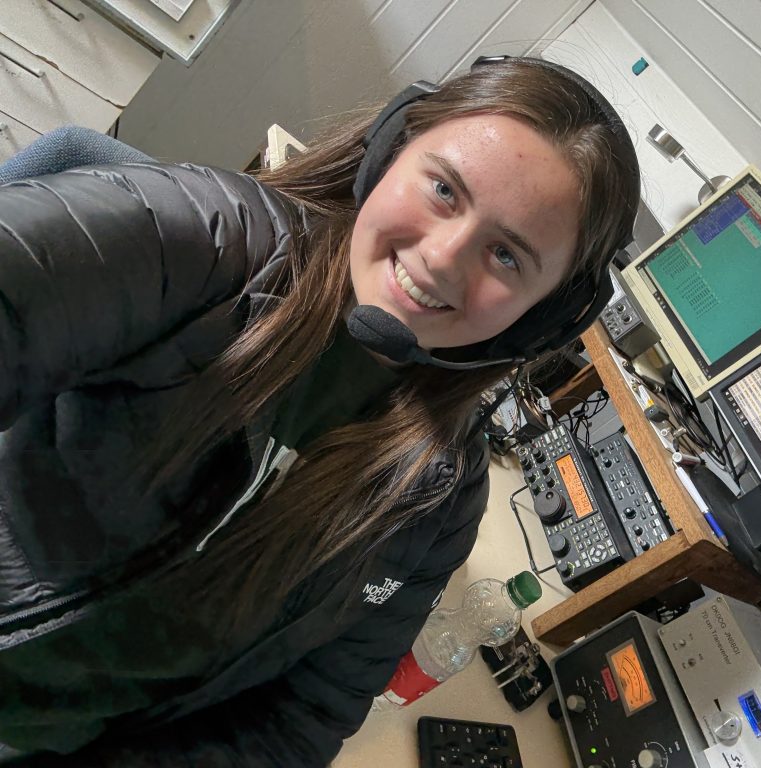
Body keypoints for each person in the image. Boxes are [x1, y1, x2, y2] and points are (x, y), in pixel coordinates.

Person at [0, 56, 640, 765]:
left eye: (507, 255)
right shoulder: (195, 239)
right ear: (392, 150)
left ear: (540, 321)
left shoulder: (440, 506)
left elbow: (297, 723)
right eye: (443, 189)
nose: (441, 259)